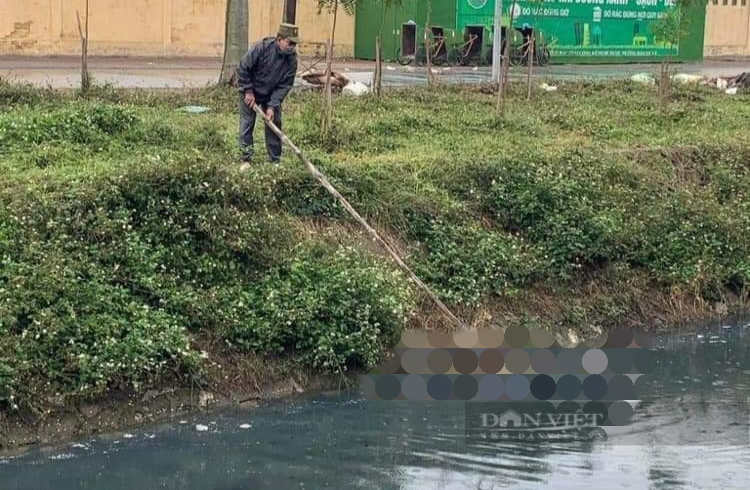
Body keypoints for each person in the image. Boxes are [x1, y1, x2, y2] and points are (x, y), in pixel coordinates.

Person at [237, 23, 299, 168]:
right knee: (247, 123)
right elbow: (243, 67)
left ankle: (274, 160)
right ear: (279, 39)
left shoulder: (292, 61)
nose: (292, 47)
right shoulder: (261, 48)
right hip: (250, 90)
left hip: (270, 94)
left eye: (294, 44)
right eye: (290, 43)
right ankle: (245, 159)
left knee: (274, 123)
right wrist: (248, 91)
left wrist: (272, 106)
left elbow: (284, 86)